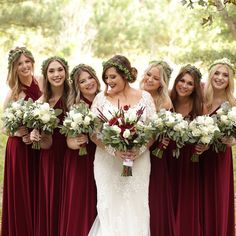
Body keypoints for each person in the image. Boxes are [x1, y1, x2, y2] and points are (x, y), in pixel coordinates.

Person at [88, 55, 156, 236]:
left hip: (139, 161)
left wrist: (138, 151)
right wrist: (113, 151)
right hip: (107, 161)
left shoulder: (145, 97)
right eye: (106, 77)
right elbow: (93, 133)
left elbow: (153, 131)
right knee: (109, 205)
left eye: (113, 77)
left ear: (125, 75)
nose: (108, 81)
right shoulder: (100, 99)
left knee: (136, 204)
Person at [1, 47, 42, 236]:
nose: (25, 66)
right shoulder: (13, 94)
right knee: (22, 194)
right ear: (14, 68)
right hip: (19, 149)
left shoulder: (42, 82)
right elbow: (3, 127)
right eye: (20, 64)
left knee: (39, 191)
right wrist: (17, 132)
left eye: (27, 61)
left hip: (40, 145)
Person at [30, 56, 70, 236]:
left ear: (66, 71)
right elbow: (35, 129)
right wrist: (33, 134)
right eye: (51, 71)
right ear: (45, 75)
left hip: (70, 156)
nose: (56, 74)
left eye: (60, 70)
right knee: (50, 199)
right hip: (48, 157)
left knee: (67, 201)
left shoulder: (73, 97)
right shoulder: (41, 101)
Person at [59, 64, 100, 236]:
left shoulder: (106, 99)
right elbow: (69, 141)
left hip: (103, 157)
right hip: (81, 160)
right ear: (78, 86)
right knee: (81, 202)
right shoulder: (76, 107)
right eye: (83, 81)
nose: (88, 83)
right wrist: (79, 141)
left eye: (90, 77)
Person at [168, 64, 208, 236]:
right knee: (167, 198)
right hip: (165, 157)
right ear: (176, 81)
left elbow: (207, 132)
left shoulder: (199, 106)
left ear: (195, 87)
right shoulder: (167, 99)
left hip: (188, 160)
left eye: (190, 83)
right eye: (182, 81)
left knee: (186, 201)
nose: (184, 85)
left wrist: (204, 145)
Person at [200, 58, 236, 236]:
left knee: (217, 197)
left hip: (219, 156)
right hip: (197, 155)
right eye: (217, 73)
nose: (220, 78)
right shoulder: (200, 97)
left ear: (230, 80)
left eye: (225, 75)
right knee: (197, 198)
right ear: (210, 75)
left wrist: (232, 140)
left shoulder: (233, 103)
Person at [140, 61, 176, 235]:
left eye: (156, 78)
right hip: (134, 153)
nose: (150, 80)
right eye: (148, 74)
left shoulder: (165, 103)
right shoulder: (134, 95)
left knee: (154, 198)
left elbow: (167, 131)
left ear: (162, 82)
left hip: (156, 155)